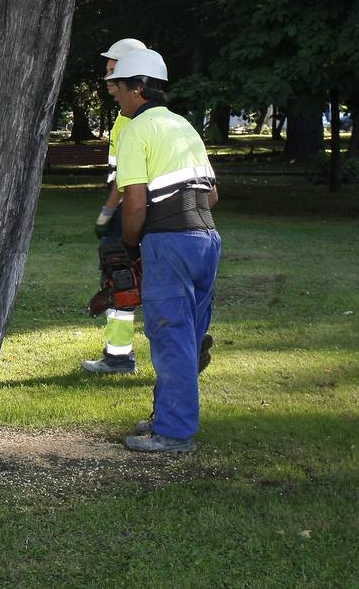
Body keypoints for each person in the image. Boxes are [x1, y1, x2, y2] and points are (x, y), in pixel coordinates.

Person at [107, 49, 220, 453]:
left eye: (116, 86)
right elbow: (213, 195)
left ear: (137, 88)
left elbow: (134, 201)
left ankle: (173, 432)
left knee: (170, 336)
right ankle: (168, 415)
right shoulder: (183, 126)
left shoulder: (137, 130)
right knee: (185, 335)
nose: (112, 94)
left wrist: (132, 243)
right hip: (206, 240)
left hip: (167, 244)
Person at [82, 37, 147, 375]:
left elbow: (123, 178)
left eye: (113, 70)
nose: (107, 77)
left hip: (129, 210)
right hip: (146, 210)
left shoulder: (129, 119)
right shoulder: (136, 115)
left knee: (119, 280)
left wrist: (108, 214)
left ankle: (119, 357)